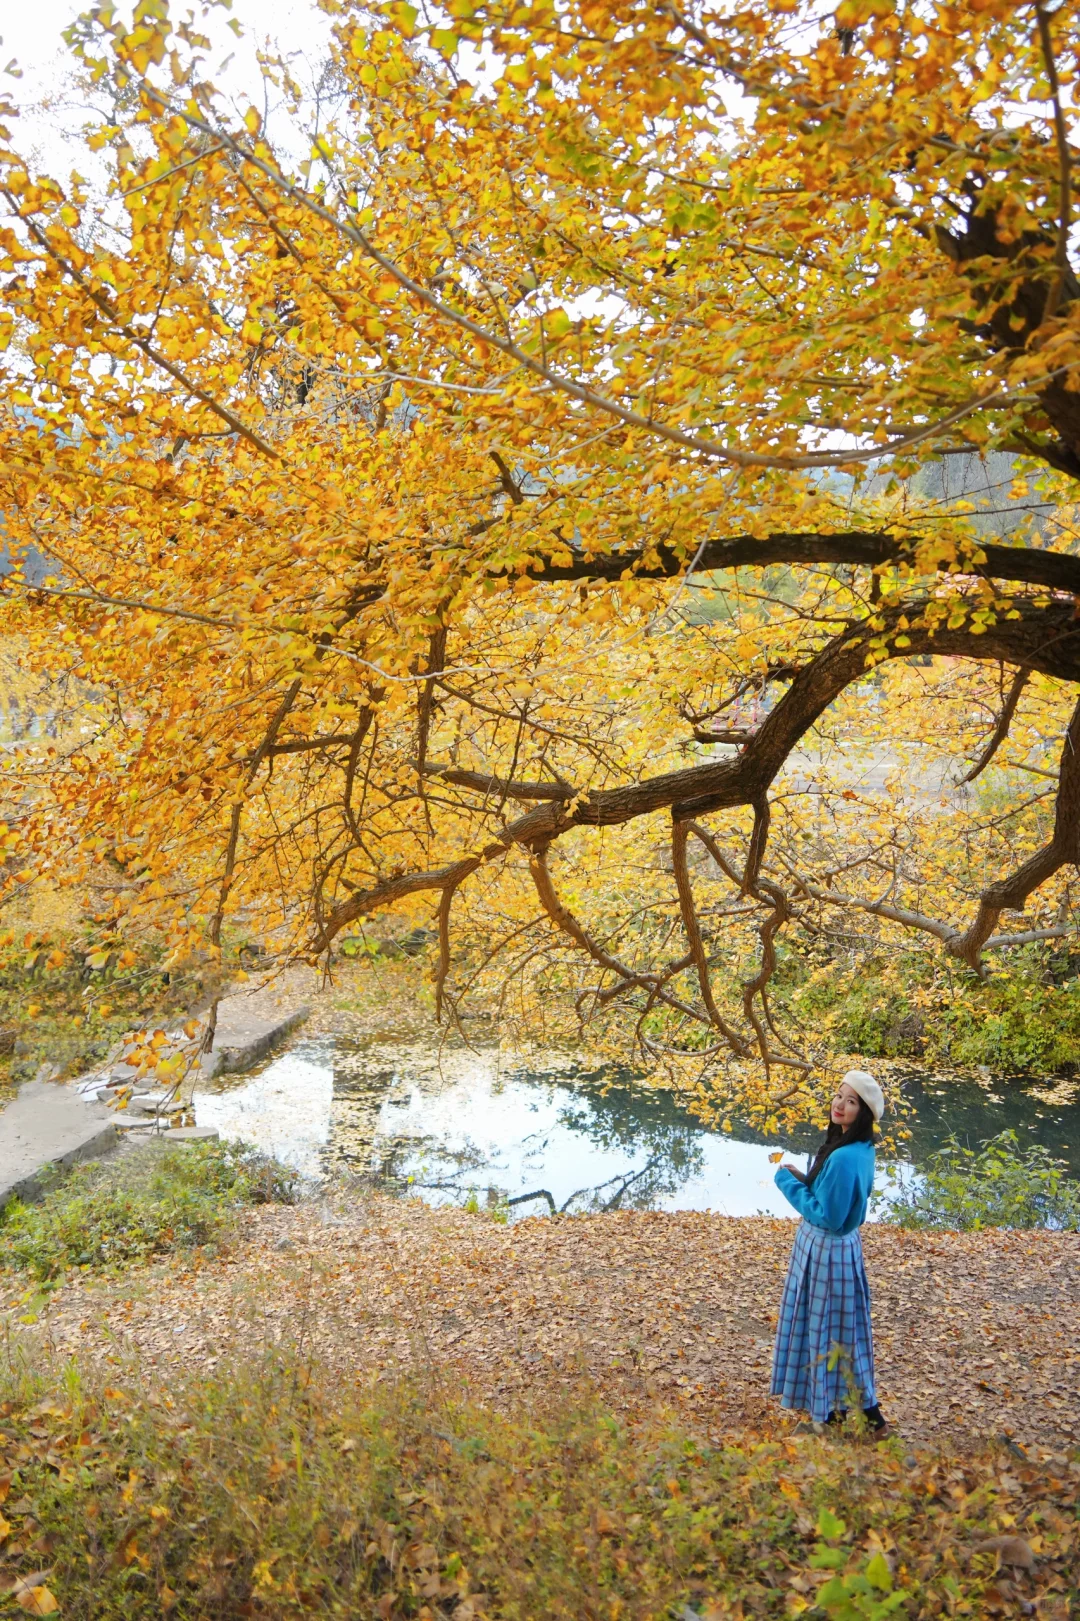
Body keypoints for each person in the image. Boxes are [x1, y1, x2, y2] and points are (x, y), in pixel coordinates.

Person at [770, 1069, 889, 1436]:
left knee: (828, 1332)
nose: (840, 1105)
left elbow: (829, 1216)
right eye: (839, 1095)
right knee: (833, 1330)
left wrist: (786, 1182)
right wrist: (805, 1179)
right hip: (834, 1250)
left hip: (826, 1250)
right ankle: (837, 1415)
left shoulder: (844, 1157)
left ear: (864, 1112)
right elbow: (831, 1196)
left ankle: (863, 1418)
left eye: (851, 1102)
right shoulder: (858, 1148)